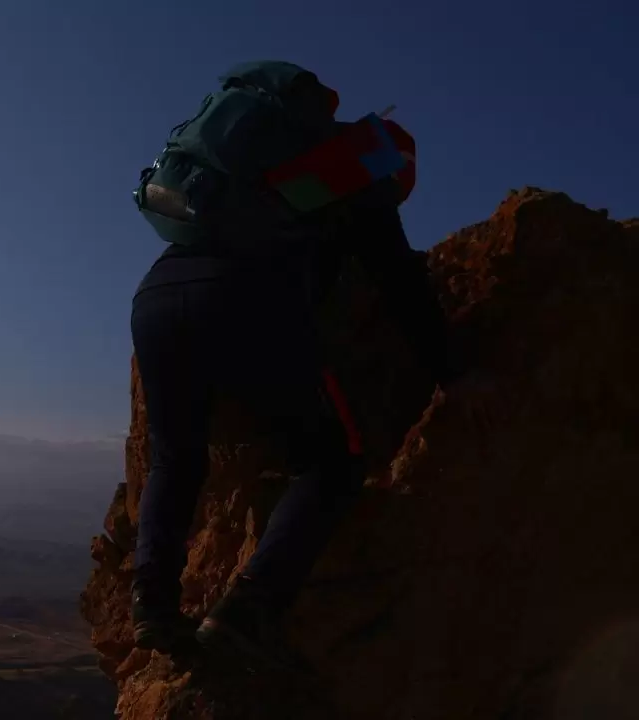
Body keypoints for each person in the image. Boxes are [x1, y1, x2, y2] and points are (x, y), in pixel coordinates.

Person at [127, 62, 461, 669]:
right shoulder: (350, 168)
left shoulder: (243, 169)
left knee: (174, 457)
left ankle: (152, 606)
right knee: (332, 462)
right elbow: (401, 283)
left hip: (155, 300)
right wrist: (453, 372)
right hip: (245, 300)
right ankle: (245, 614)